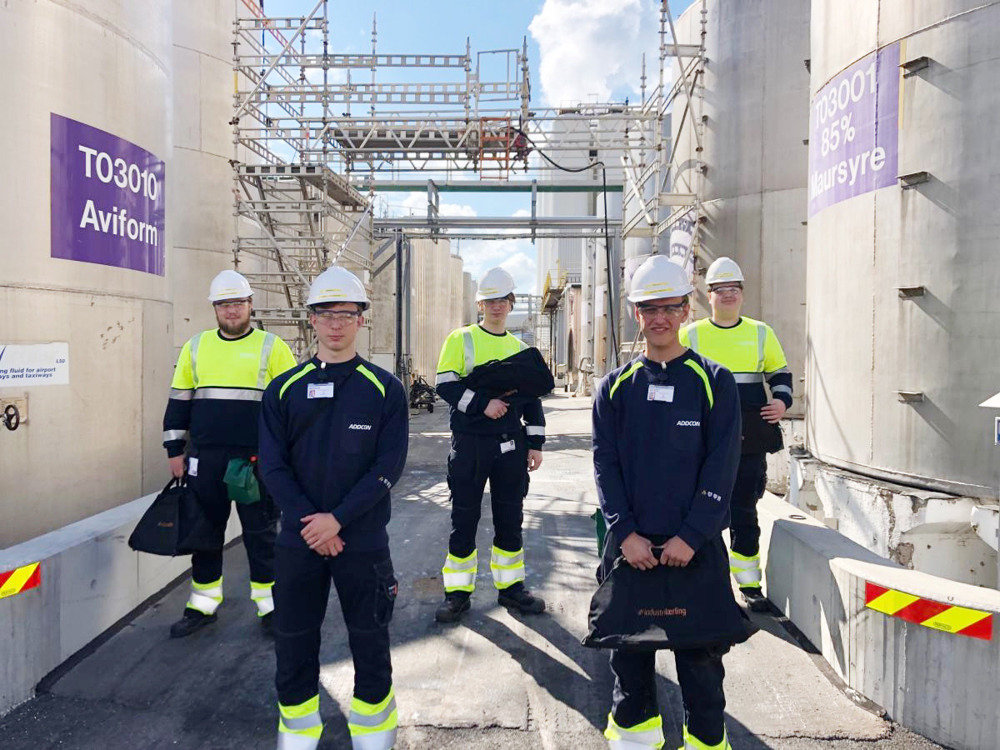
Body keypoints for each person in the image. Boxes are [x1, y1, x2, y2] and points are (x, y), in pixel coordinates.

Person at [593, 255, 742, 750]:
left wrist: (692, 535)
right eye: (648, 308)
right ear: (636, 313)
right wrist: (625, 533)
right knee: (630, 670)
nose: (659, 318)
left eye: (669, 307)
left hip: (693, 552)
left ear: (685, 311)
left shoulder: (713, 381)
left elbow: (722, 466)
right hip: (630, 551)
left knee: (701, 671)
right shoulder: (613, 388)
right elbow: (605, 467)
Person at [259, 265, 408, 750]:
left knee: (370, 639)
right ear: (312, 320)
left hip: (360, 541)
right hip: (299, 542)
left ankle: (373, 734)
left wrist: (337, 520)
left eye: (347, 313)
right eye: (326, 313)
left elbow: (389, 467)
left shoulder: (385, 389)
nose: (336, 323)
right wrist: (314, 525)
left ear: (362, 318)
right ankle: (299, 733)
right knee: (294, 640)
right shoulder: (283, 389)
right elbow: (274, 468)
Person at [162, 269, 296, 638]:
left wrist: (286, 458)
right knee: (203, 535)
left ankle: (270, 609)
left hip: (255, 462)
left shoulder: (273, 347)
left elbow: (293, 408)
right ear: (215, 309)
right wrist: (174, 450)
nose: (232, 310)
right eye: (224, 304)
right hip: (203, 460)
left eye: (238, 303)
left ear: (250, 305)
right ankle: (202, 606)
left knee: (261, 536)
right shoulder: (196, 346)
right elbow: (178, 403)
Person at [433, 266, 547, 623]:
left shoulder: (519, 348)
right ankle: (457, 595)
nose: (496, 307)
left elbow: (532, 400)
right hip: (471, 443)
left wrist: (536, 443)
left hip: (511, 446)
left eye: (503, 300)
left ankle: (511, 590)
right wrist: (484, 404)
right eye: (489, 301)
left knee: (510, 517)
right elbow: (445, 385)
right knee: (464, 518)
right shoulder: (461, 339)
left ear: (511, 303)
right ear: (480, 304)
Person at [679, 257, 793, 611]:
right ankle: (699, 579)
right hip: (701, 441)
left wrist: (782, 402)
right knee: (696, 509)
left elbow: (780, 374)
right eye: (720, 290)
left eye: (734, 290)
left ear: (742, 295)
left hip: (748, 439)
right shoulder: (691, 334)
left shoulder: (761, 332)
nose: (728, 295)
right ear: (708, 296)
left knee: (744, 510)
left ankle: (749, 584)